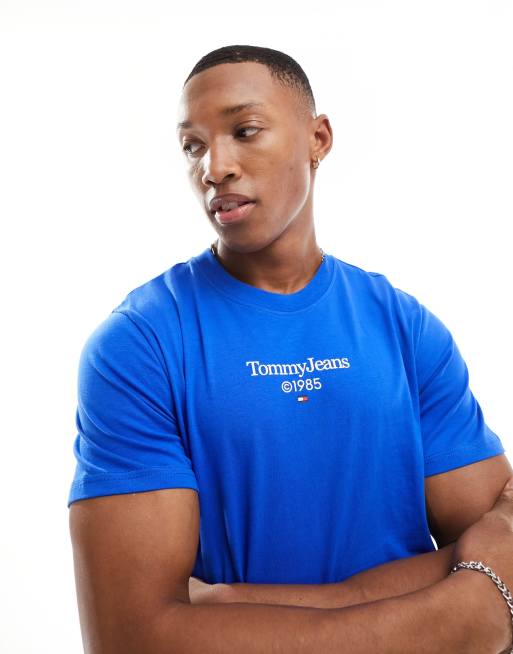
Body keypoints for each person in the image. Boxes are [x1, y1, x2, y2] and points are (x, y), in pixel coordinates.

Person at [68, 45, 513, 652]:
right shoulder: (137, 346)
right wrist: (462, 613)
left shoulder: (406, 327)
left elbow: (505, 551)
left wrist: (237, 603)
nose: (214, 168)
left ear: (317, 139)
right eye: (192, 146)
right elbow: (131, 638)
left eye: (244, 131)